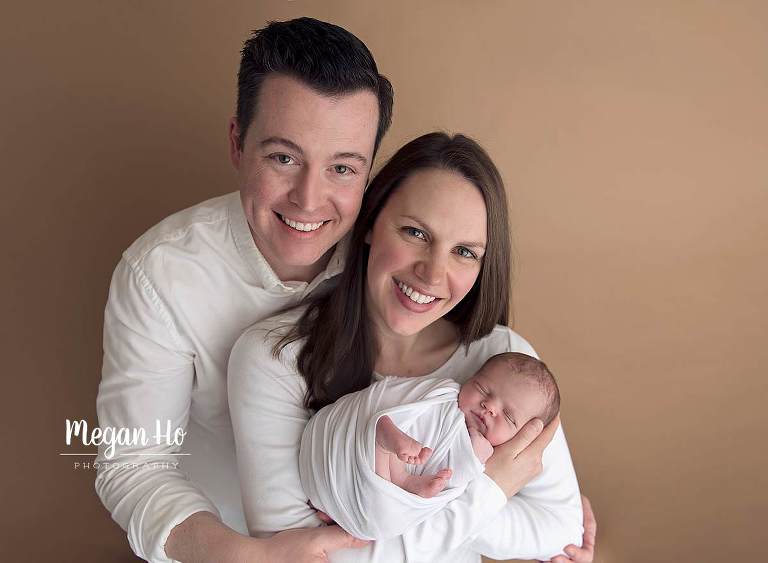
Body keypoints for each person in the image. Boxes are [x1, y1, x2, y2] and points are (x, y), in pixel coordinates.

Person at [95, 17, 394, 562]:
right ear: (237, 142)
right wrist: (245, 557)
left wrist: (539, 496)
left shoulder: (396, 259)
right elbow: (133, 464)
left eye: (343, 169)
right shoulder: (160, 272)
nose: (309, 200)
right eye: (283, 158)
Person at [229, 133, 587, 562]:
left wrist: (419, 510)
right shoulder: (275, 358)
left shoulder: (507, 364)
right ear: (370, 224)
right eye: (416, 232)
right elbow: (295, 557)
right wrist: (492, 488)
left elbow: (561, 528)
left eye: (465, 252)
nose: (433, 274)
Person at [296, 352, 561, 542]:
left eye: (509, 417)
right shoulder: (443, 396)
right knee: (386, 433)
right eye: (482, 388)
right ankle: (384, 433)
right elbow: (395, 395)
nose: (489, 407)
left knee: (389, 511)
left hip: (350, 493)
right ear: (470, 378)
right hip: (343, 441)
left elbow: (449, 494)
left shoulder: (486, 453)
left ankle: (397, 468)